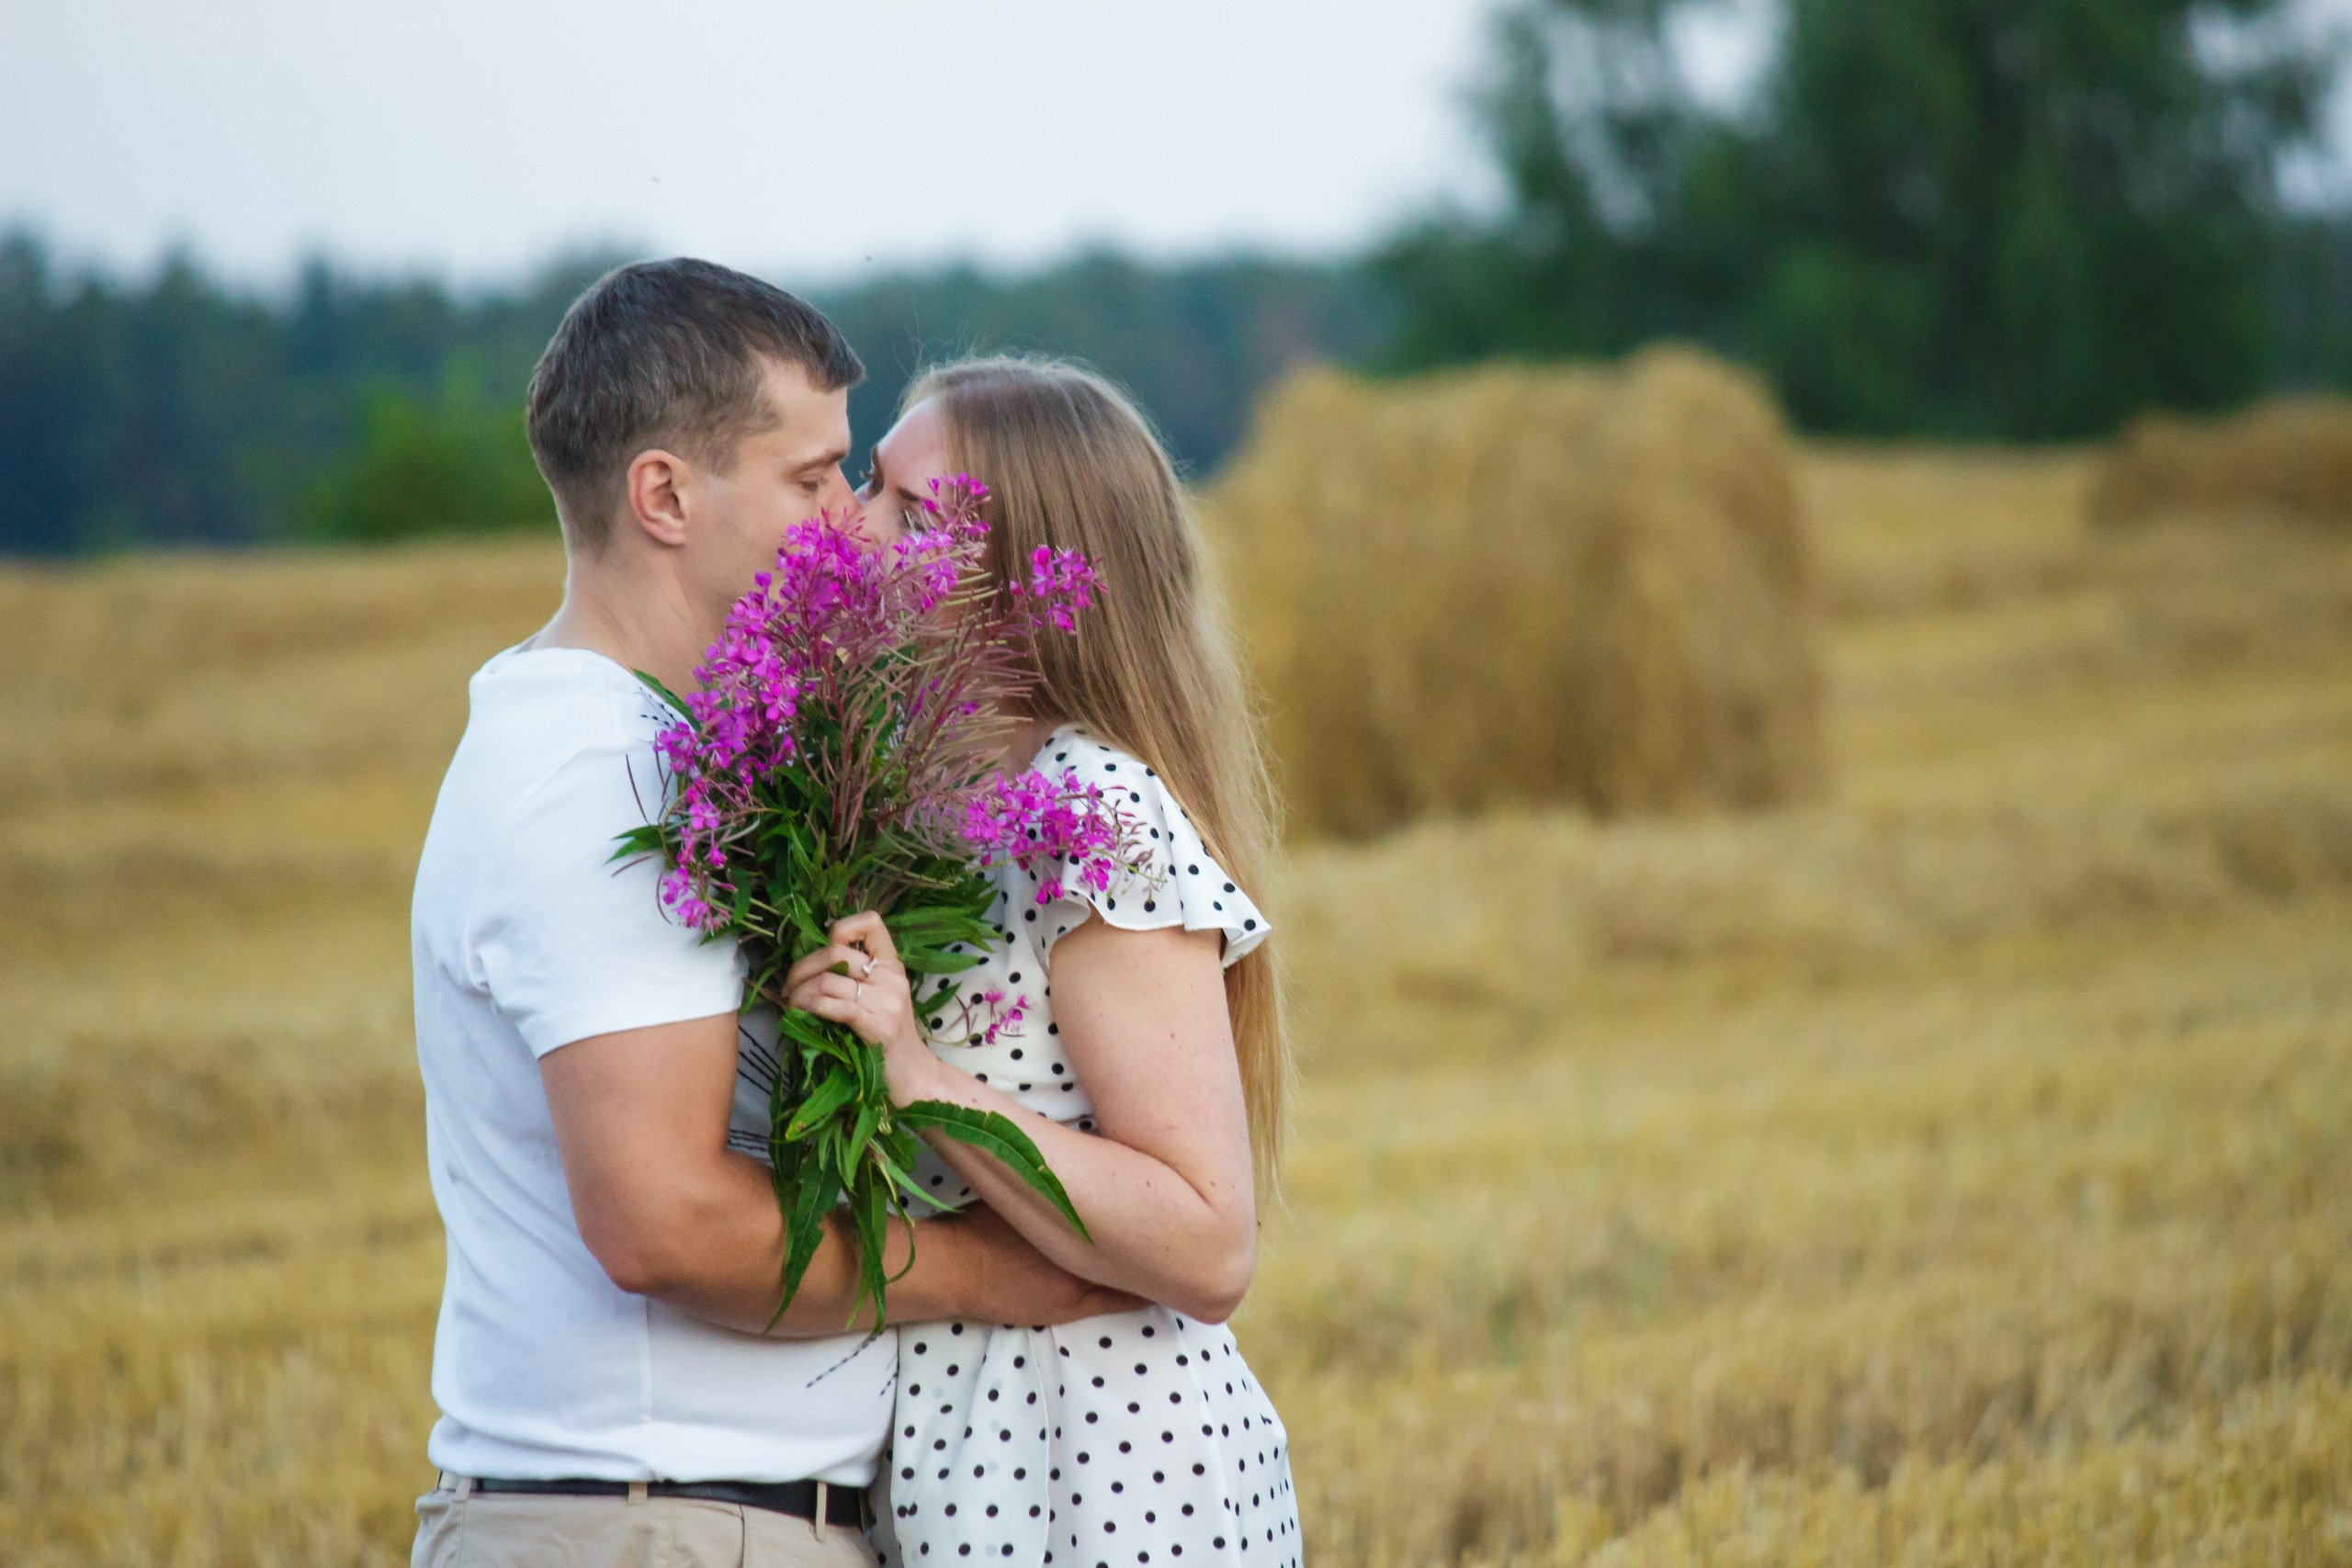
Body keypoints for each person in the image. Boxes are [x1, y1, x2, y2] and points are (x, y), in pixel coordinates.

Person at [408, 264, 1135, 1568]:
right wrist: (982, 1274)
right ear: (664, 496)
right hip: (657, 1529)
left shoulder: (663, 748)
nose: (856, 529)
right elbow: (663, 1222)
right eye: (814, 481)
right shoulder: (604, 773)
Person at [781, 356, 1303, 1568]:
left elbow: (1208, 1242)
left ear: (1014, 575)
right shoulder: (937, 810)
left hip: (1115, 1481)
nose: (850, 521)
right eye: (866, 481)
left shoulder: (1093, 808)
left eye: (904, 507)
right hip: (979, 1469)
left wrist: (915, 1073)